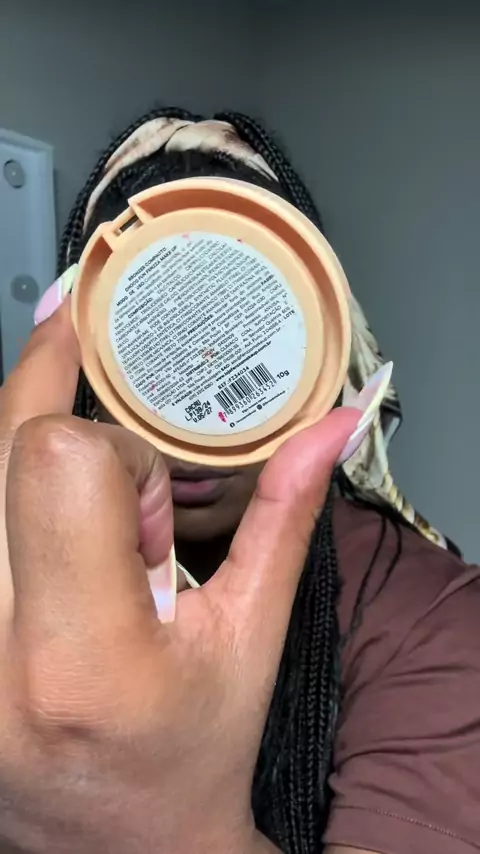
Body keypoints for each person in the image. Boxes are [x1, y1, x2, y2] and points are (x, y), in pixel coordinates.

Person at [0, 109, 478, 854]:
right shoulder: (20, 597)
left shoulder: (425, 613)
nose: (194, 442)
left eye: (227, 346)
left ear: (319, 361)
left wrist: (156, 832)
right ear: (88, 361)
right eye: (157, 346)